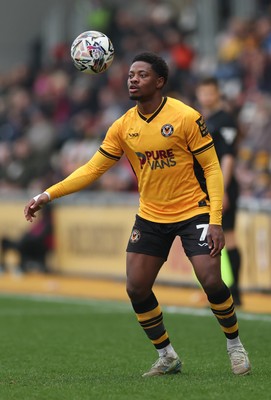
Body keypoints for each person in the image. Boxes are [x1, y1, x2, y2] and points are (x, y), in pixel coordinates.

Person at [24, 52, 251, 377]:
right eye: (131, 74)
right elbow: (92, 169)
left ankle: (235, 346)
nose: (133, 79)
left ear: (159, 82)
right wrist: (47, 194)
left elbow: (212, 167)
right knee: (136, 287)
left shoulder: (186, 117)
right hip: (151, 215)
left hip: (193, 210)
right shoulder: (123, 126)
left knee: (212, 279)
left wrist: (215, 219)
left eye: (142, 74)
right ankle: (167, 356)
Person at [195, 77, 242, 305]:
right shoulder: (201, 120)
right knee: (208, 239)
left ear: (217, 94)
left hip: (222, 187)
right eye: (203, 93)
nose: (206, 97)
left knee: (228, 237)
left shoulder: (225, 120)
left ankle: (236, 291)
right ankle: (217, 290)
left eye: (210, 93)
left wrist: (222, 189)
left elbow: (229, 156)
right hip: (205, 188)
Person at [1, 205, 53, 274]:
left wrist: (27, 239)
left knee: (23, 244)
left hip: (36, 246)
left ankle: (21, 267)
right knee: (5, 241)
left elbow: (40, 238)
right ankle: (3, 266)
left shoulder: (48, 224)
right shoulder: (40, 222)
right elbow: (29, 233)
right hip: (27, 243)